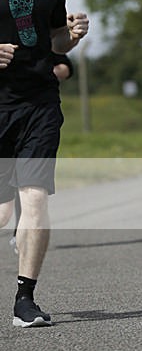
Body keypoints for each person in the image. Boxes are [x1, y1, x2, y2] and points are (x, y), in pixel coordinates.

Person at [0, 0, 89, 328]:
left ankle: (25, 299)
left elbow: (56, 40)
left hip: (38, 100)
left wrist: (71, 35)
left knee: (35, 199)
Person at [9, 52, 74, 254]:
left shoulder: (38, 36)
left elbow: (66, 67)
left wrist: (40, 72)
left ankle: (22, 232)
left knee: (28, 187)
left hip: (34, 118)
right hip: (7, 116)